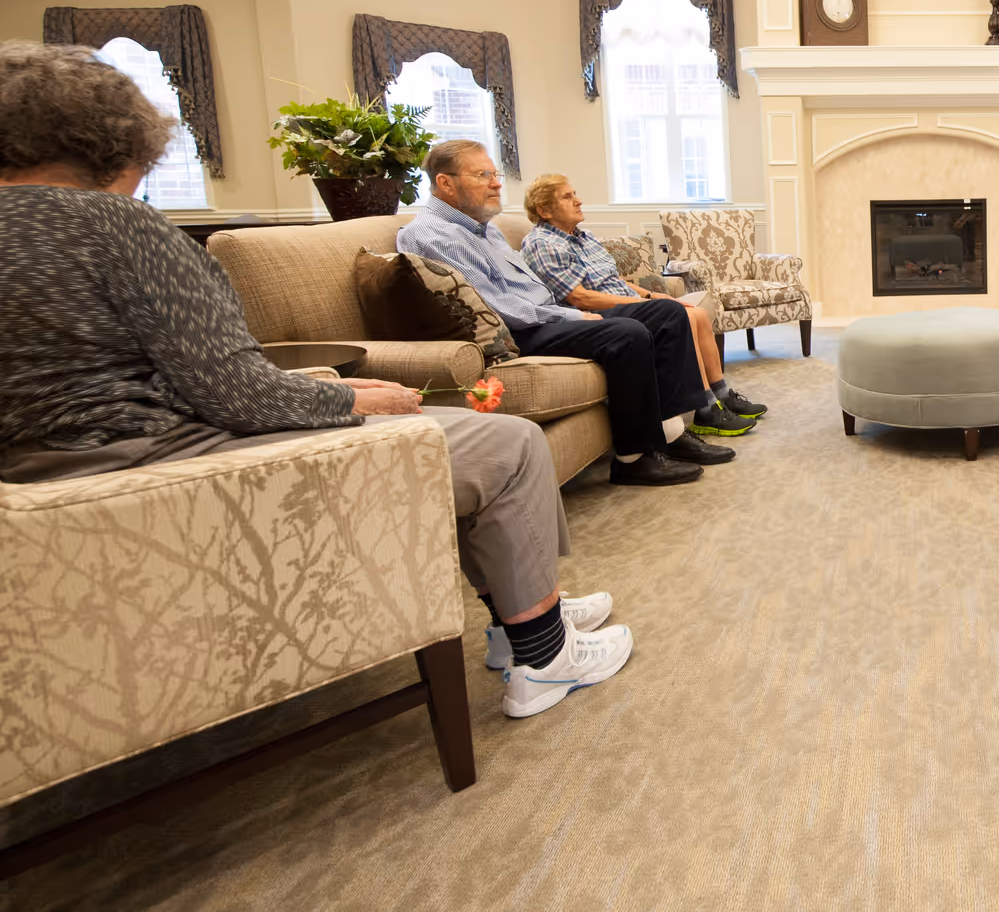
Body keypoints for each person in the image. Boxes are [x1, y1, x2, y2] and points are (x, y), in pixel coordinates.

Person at [0, 41, 629, 719]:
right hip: (171, 472)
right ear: (119, 143)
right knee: (506, 446)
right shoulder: (121, 227)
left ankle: (518, 618)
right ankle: (543, 653)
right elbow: (237, 395)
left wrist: (339, 392)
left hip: (41, 489)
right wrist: (348, 395)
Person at [396, 141, 723, 486]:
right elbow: (497, 306)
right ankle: (634, 459)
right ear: (446, 183)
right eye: (483, 175)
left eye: (495, 174)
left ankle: (672, 434)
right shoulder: (433, 234)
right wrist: (574, 316)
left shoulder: (484, 227)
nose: (496, 183)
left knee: (668, 313)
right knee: (627, 334)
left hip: (545, 315)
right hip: (520, 331)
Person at [519, 173, 766, 432]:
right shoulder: (542, 244)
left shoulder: (585, 237)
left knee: (698, 314)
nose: (578, 201)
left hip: (623, 302)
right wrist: (633, 303)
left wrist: (649, 295)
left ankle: (722, 395)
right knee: (687, 316)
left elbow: (614, 279)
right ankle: (705, 409)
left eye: (575, 194)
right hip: (597, 314)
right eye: (567, 197)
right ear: (544, 210)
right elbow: (579, 297)